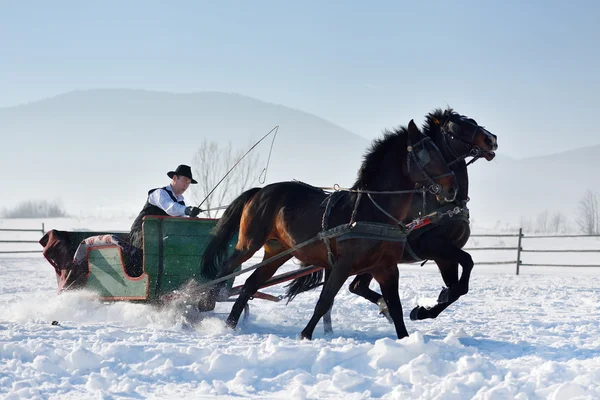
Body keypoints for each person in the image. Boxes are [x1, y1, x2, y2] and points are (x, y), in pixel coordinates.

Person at [128, 165, 203, 270]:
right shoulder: (159, 193)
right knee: (160, 243)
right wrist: (187, 210)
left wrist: (193, 220)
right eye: (185, 180)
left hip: (160, 237)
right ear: (175, 178)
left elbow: (182, 219)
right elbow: (170, 208)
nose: (186, 185)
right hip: (141, 234)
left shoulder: (180, 202)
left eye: (189, 183)